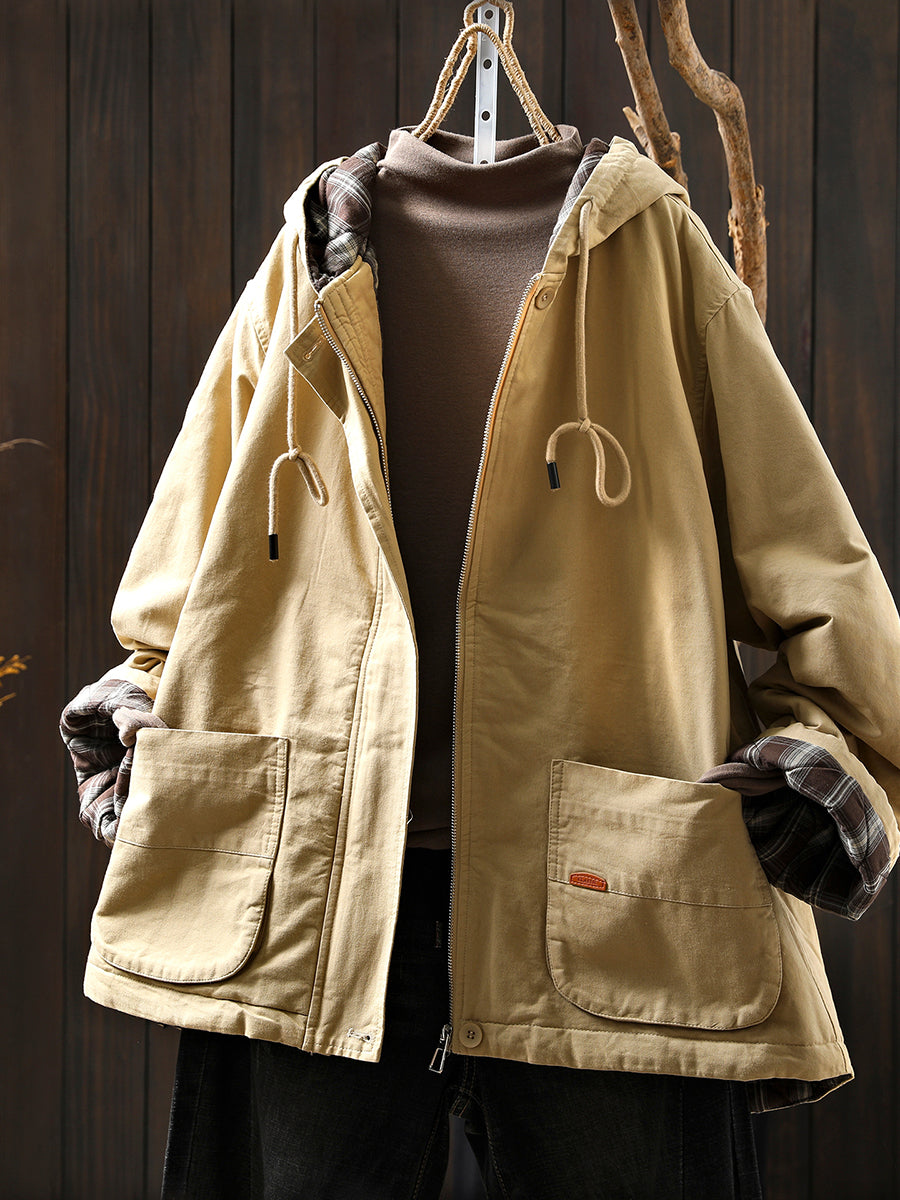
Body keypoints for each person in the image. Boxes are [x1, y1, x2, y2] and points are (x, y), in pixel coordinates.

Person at [61, 123, 900, 1198]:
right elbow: (177, 590)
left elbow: (818, 567)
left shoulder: (652, 249)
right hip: (321, 887)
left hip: (616, 895)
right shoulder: (315, 252)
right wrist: (144, 714)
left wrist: (826, 758)